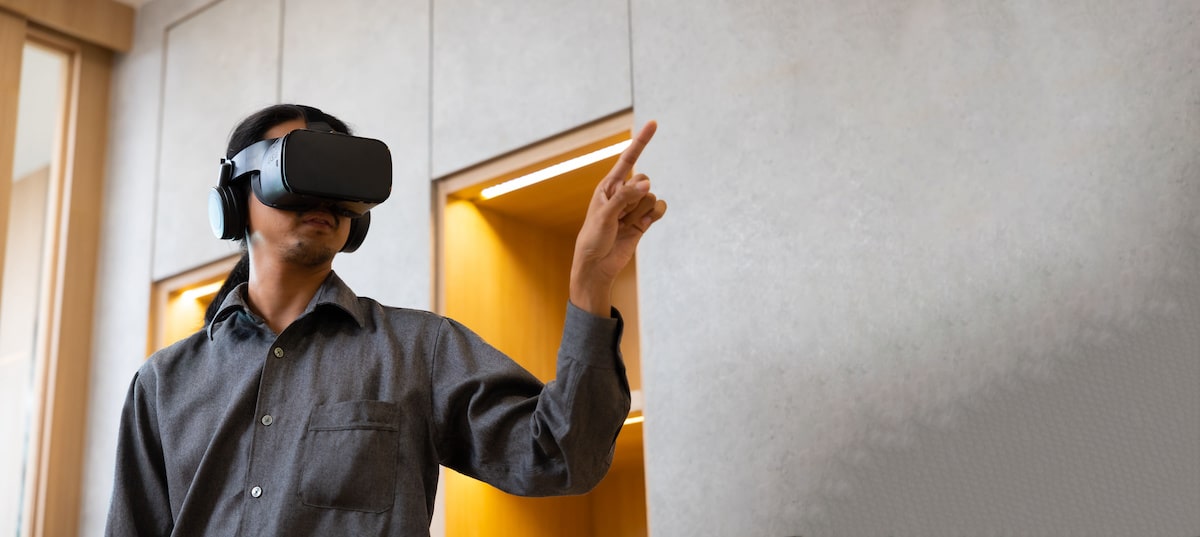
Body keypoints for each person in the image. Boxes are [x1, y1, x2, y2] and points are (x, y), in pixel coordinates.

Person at [105, 104, 667, 536]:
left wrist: (591, 280)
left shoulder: (420, 350)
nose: (321, 194)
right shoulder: (163, 384)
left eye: (338, 174)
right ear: (233, 198)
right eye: (296, 165)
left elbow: (560, 457)